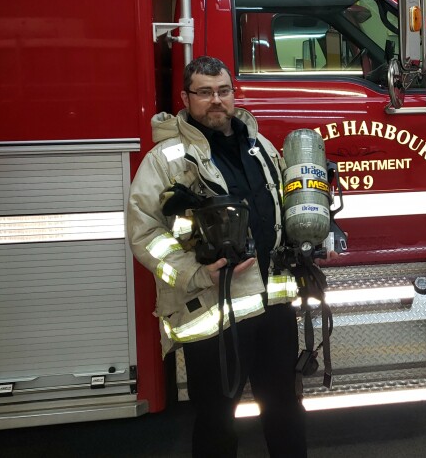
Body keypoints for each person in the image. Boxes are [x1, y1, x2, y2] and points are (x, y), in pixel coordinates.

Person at [126, 56, 307, 458]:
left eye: (223, 91)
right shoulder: (166, 160)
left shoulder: (259, 146)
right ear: (186, 98)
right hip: (212, 310)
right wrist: (194, 273)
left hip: (272, 305)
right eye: (204, 93)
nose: (216, 101)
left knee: (285, 408)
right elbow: (145, 233)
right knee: (216, 421)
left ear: (233, 93)